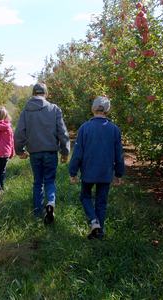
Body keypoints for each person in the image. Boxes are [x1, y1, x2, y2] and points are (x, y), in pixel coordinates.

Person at [69, 96, 125, 240]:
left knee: (85, 196)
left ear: (93, 108)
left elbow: (78, 153)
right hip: (105, 172)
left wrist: (73, 172)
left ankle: (94, 222)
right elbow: (119, 154)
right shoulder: (114, 130)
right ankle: (99, 231)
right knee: (101, 201)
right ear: (108, 110)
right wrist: (119, 174)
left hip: (88, 171)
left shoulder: (84, 128)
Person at [14, 83, 70, 224]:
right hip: (51, 151)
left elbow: (19, 133)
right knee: (49, 180)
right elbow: (62, 132)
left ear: (33, 93)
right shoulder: (54, 109)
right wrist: (65, 151)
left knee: (38, 182)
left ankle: (37, 212)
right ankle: (50, 203)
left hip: (35, 152)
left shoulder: (26, 110)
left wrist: (19, 150)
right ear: (45, 93)